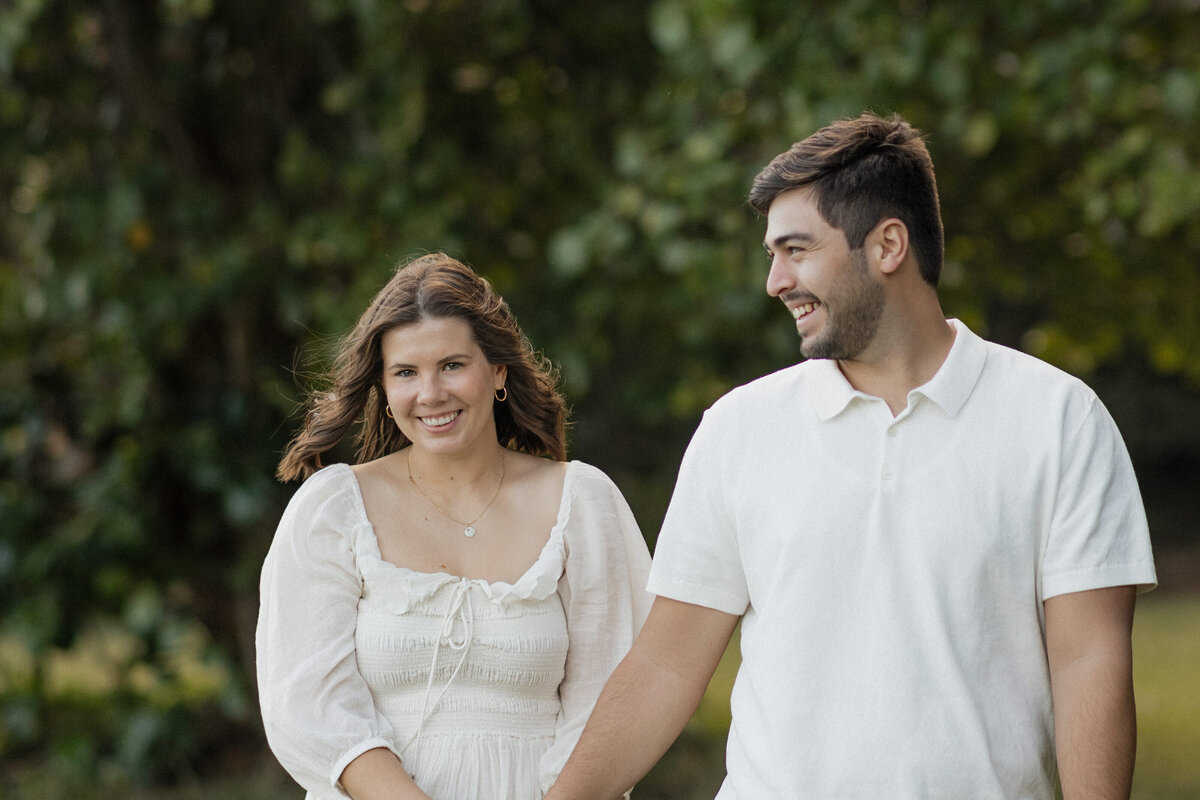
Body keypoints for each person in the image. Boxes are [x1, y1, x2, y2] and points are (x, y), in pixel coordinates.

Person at [545, 113, 1157, 800]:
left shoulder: (1058, 420)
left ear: (888, 244)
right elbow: (666, 665)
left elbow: (1089, 661)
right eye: (772, 255)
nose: (776, 281)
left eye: (797, 250)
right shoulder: (738, 430)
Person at [256, 253, 652, 800]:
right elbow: (307, 703)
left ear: (498, 372)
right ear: (383, 388)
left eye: (452, 365)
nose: (431, 393)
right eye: (405, 373)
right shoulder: (334, 509)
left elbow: (615, 698)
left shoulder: (581, 502)